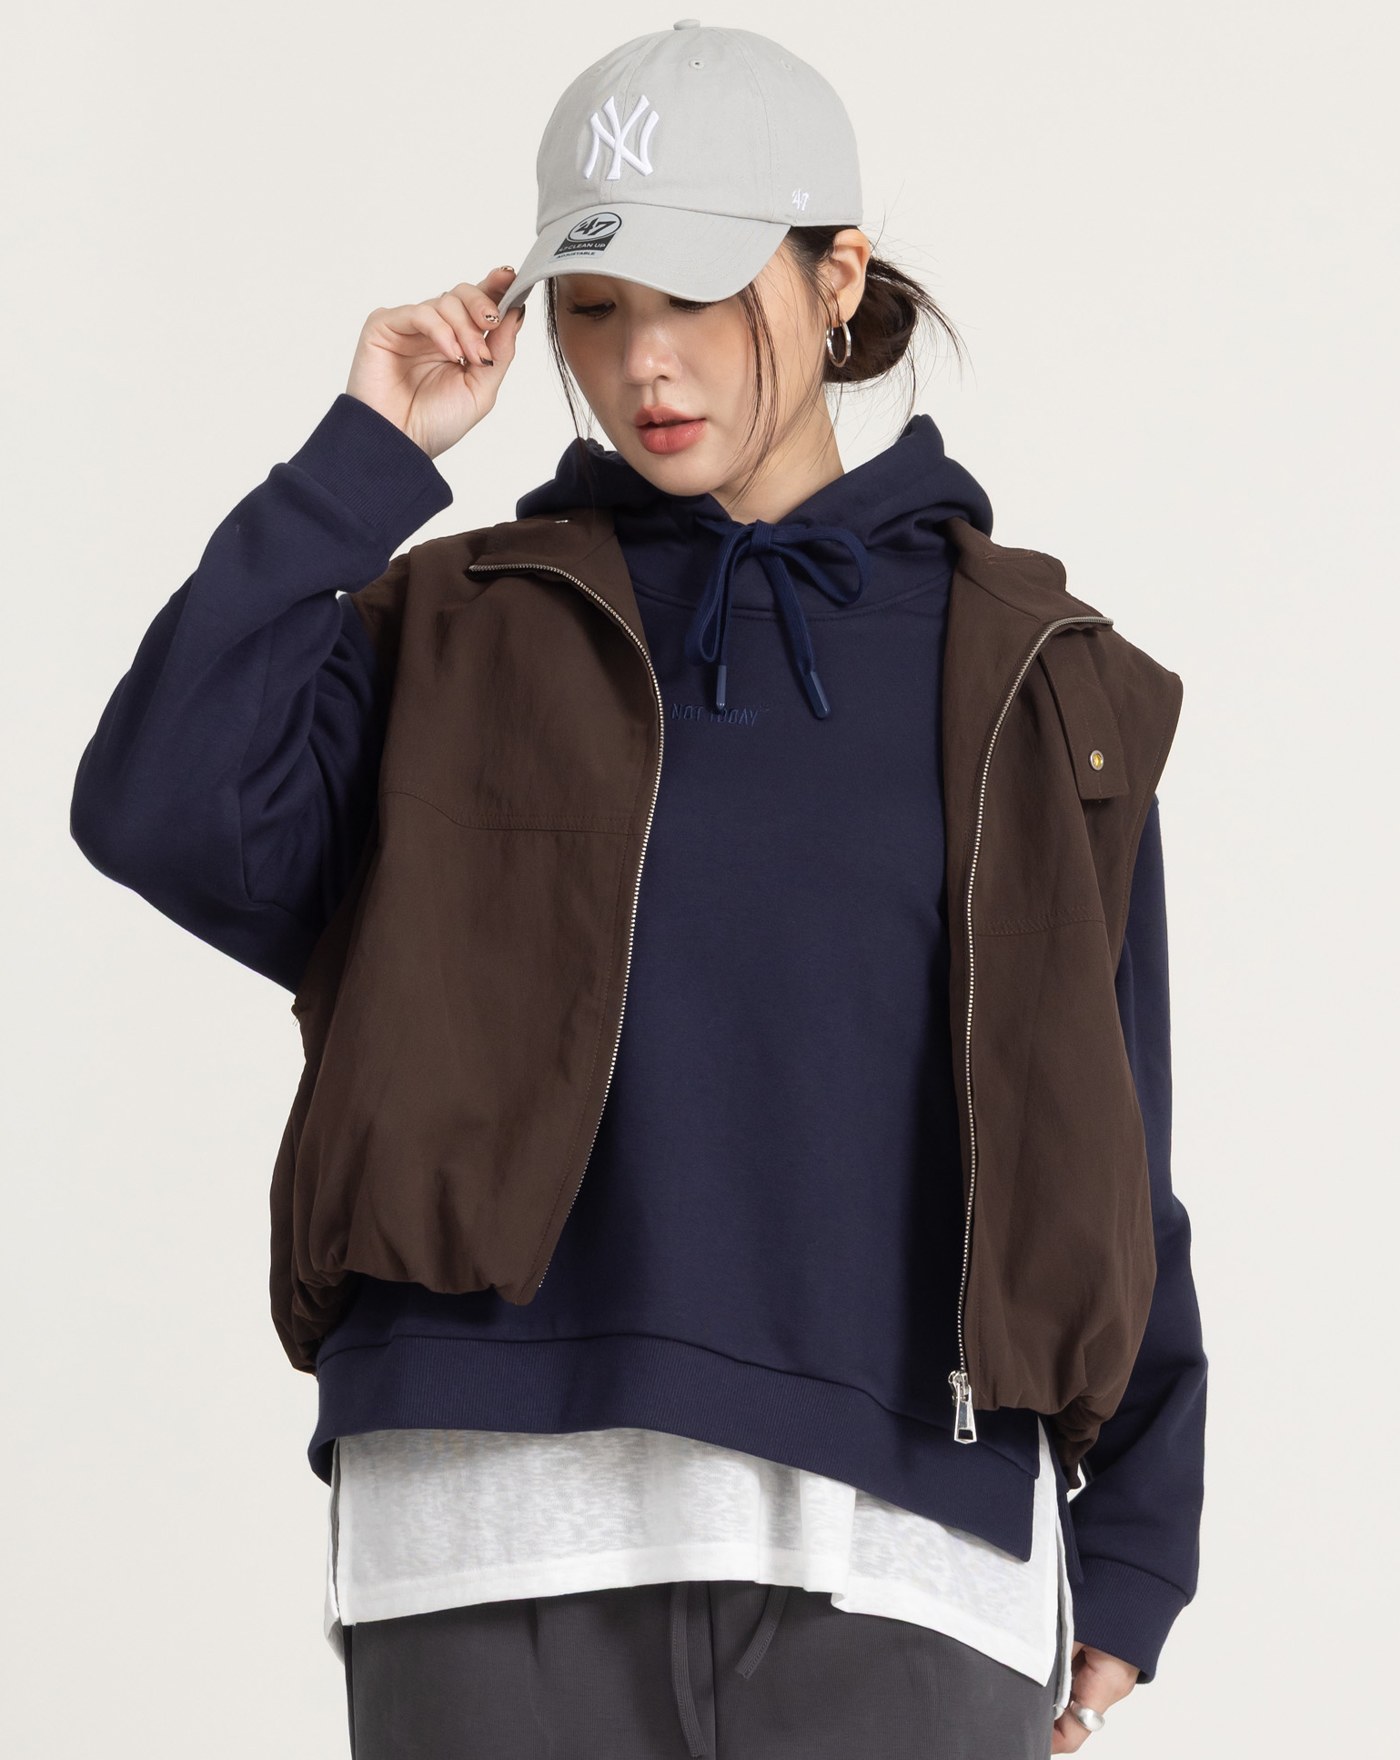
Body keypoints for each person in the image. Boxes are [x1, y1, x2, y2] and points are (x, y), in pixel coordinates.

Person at [69, 20, 1207, 1760]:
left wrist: (1137, 1531)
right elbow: (160, 804)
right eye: (594, 310)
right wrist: (366, 456)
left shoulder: (1038, 679)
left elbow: (1108, 1126)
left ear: (839, 278)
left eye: (697, 297)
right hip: (490, 1542)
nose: (642, 364)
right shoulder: (454, 635)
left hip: (906, 1549)